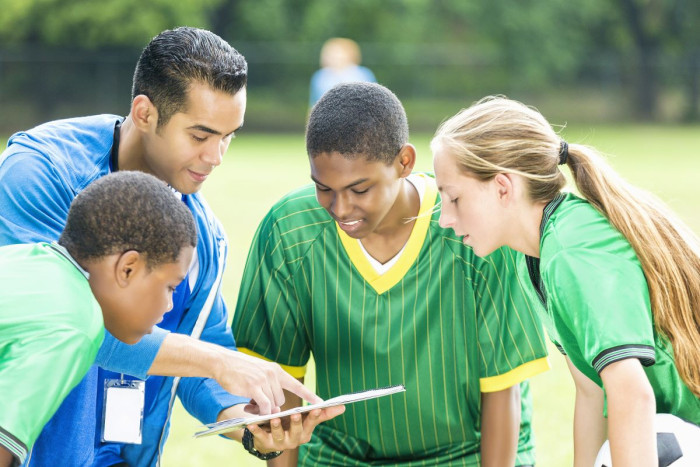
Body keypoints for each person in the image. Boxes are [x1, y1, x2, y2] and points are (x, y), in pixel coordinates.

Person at [0, 27, 341, 467]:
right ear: (144, 113)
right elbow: (54, 322)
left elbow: (200, 353)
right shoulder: (41, 173)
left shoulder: (202, 233)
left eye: (228, 136)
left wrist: (254, 425)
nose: (216, 157)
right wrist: (215, 361)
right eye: (200, 136)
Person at [233, 82, 550, 466]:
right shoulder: (289, 230)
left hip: (464, 456)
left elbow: (504, 391)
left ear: (404, 162)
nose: (340, 207)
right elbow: (279, 390)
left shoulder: (474, 229)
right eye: (323, 188)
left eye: (360, 188)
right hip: (341, 458)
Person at [431, 95, 700, 466]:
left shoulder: (572, 253)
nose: (445, 217)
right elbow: (591, 391)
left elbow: (632, 396)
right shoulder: (533, 252)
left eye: (454, 198)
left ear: (503, 188)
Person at [0, 171, 197, 467]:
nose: (169, 305)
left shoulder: (29, 259)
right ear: (128, 268)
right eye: (170, 286)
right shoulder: (75, 324)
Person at [309, 37, 376, 107]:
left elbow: (374, 101)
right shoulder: (320, 76)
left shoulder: (363, 74)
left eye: (338, 53)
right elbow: (313, 104)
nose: (335, 57)